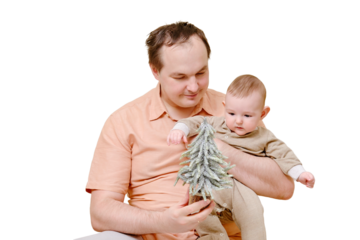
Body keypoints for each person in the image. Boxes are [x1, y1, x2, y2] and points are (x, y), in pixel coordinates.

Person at [76, 19, 300, 240]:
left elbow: (284, 188)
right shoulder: (123, 120)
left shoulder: (237, 111)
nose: (194, 87)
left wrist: (221, 151)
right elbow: (99, 213)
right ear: (154, 71)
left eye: (201, 73)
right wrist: (164, 220)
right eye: (180, 77)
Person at [167, 73, 317, 240]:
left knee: (254, 212)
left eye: (246, 116)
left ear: (263, 114)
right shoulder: (218, 124)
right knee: (197, 206)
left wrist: (300, 173)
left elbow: (284, 154)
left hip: (241, 187)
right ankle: (213, 236)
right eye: (231, 113)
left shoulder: (264, 136)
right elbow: (196, 122)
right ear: (224, 108)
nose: (238, 121)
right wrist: (180, 129)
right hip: (211, 181)